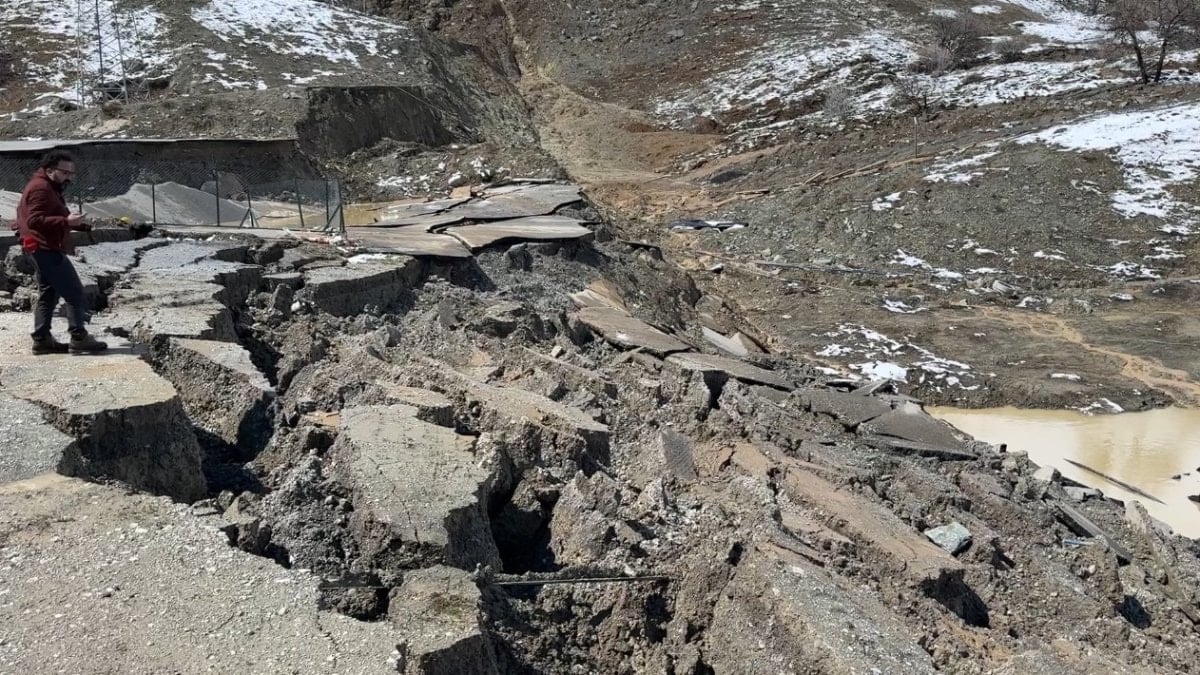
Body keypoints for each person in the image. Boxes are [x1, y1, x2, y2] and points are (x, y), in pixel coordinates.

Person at [12, 151, 107, 354]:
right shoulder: (41, 188)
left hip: (38, 247)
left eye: (71, 173)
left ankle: (42, 340)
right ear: (49, 170)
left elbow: (45, 217)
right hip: (44, 248)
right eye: (65, 172)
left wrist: (80, 225)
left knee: (49, 293)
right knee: (74, 292)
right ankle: (79, 337)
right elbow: (34, 220)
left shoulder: (47, 186)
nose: (68, 177)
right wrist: (66, 221)